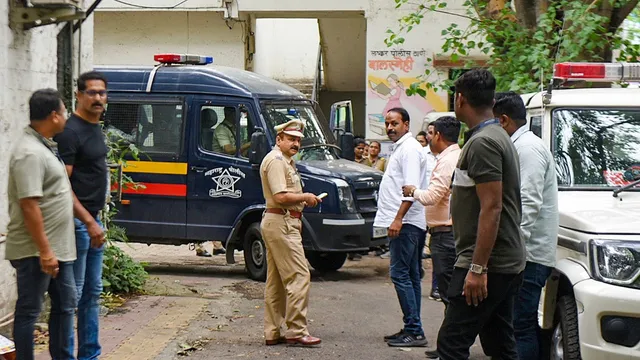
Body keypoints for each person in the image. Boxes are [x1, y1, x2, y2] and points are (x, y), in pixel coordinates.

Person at [435, 69, 525, 360]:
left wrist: (477, 269)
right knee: (499, 344)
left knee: (451, 344)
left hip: (487, 263)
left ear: (460, 99)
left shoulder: (484, 142)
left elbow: (492, 206)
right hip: (499, 261)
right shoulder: (494, 135)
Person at [6, 89, 76, 360]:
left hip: (59, 249)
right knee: (30, 311)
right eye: (64, 111)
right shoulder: (29, 153)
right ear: (54, 115)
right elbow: (29, 204)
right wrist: (45, 251)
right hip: (36, 251)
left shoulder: (43, 145)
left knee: (65, 306)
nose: (67, 117)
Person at [494, 91, 559, 360]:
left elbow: (528, 203)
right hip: (525, 254)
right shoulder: (519, 146)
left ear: (505, 120)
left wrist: (512, 250)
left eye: (493, 122)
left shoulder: (527, 149)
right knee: (519, 324)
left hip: (528, 256)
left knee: (520, 325)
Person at [54, 71, 109, 360]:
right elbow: (62, 185)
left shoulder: (95, 127)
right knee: (71, 297)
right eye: (92, 92)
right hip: (76, 223)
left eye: (102, 93)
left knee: (92, 294)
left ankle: (90, 355)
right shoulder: (70, 131)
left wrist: (95, 220)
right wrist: (87, 221)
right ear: (78, 95)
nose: (98, 98)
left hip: (92, 221)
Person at [259, 119, 323, 348]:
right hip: (281, 222)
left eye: (298, 140)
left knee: (276, 281)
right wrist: (305, 197)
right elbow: (281, 197)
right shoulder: (276, 161)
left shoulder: (285, 161)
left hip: (283, 221)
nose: (296, 143)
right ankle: (296, 330)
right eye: (291, 139)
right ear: (279, 139)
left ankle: (272, 331)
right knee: (299, 275)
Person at [402, 117, 461, 359]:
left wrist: (413, 191)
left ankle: (450, 349)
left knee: (449, 296)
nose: (428, 138)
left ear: (438, 135)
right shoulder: (454, 156)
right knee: (450, 295)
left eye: (431, 133)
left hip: (446, 235)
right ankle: (450, 346)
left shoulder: (447, 161)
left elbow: (434, 196)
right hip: (448, 233)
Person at [375, 107, 429, 348]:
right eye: (387, 123)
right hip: (408, 223)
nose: (389, 128)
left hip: (406, 223)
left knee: (400, 275)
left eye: (394, 123)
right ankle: (412, 327)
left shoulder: (408, 150)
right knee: (411, 276)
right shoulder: (403, 148)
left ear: (406, 125)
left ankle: (415, 330)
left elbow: (410, 189)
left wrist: (398, 219)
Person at [422, 123, 439, 299]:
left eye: (432, 133)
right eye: (428, 132)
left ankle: (436, 286)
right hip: (422, 209)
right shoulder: (422, 156)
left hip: (440, 213)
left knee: (437, 252)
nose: (429, 136)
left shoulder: (450, 157)